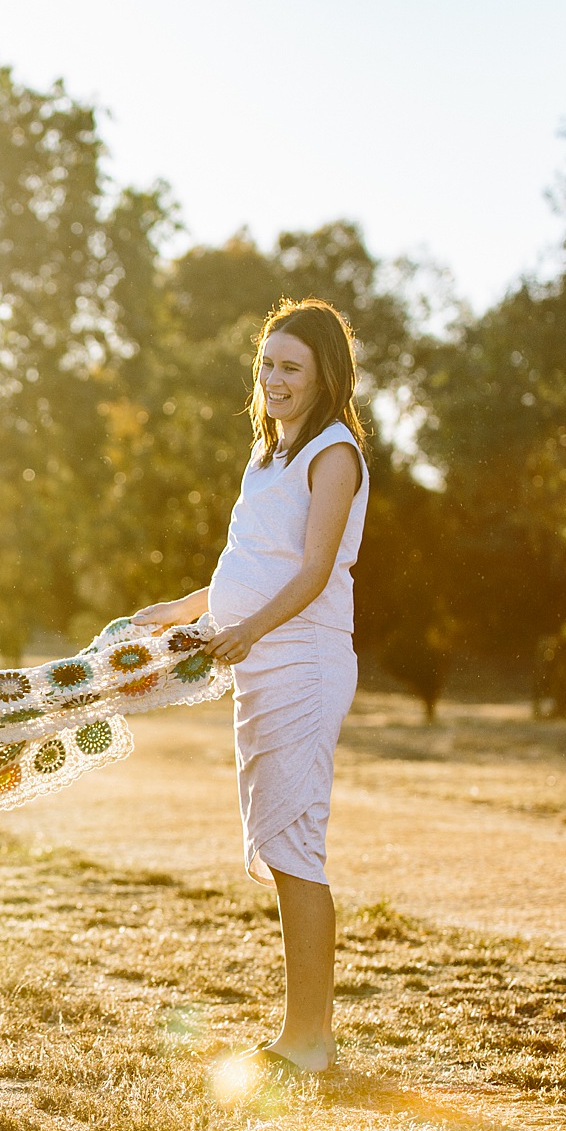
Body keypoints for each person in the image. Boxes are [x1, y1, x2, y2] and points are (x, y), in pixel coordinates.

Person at [131, 298, 369, 1076]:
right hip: (259, 659)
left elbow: (312, 570)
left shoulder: (333, 454)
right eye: (266, 364)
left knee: (296, 843)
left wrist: (250, 630)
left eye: (290, 367)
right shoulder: (266, 457)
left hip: (302, 659)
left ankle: (310, 1041)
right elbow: (250, 561)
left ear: (326, 375)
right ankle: (301, 1033)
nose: (273, 380)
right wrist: (184, 607)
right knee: (277, 840)